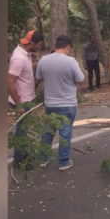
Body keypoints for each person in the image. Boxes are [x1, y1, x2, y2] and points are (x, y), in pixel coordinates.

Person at [35, 35, 84, 171]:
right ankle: (63, 162)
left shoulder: (44, 60)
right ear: (67, 47)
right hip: (67, 103)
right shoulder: (71, 61)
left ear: (55, 46)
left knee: (47, 132)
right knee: (65, 133)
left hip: (50, 104)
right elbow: (80, 80)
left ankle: (43, 159)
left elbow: (38, 78)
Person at [8, 30, 43, 168]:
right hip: (22, 100)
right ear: (33, 43)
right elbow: (10, 82)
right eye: (39, 44)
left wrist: (42, 62)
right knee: (21, 130)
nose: (40, 46)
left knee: (24, 128)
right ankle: (19, 159)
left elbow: (27, 68)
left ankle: (22, 153)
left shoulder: (24, 54)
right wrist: (19, 105)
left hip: (27, 98)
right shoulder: (19, 58)